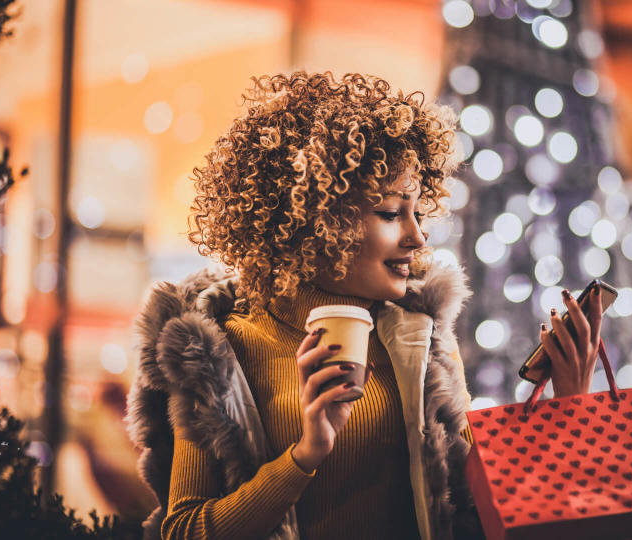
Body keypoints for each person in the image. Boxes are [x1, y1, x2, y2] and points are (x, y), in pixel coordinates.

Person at [126, 71, 603, 540]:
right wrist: (305, 455)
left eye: (417, 212)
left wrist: (567, 406)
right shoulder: (217, 347)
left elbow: (472, 506)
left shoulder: (417, 333)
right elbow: (184, 530)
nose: (417, 237)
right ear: (317, 221)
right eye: (392, 213)